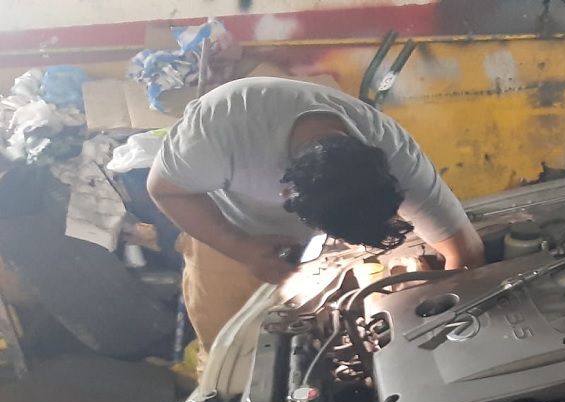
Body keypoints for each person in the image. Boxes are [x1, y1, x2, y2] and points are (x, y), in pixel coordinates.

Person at [147, 77, 484, 362]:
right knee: (230, 354)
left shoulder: (397, 156)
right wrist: (239, 247)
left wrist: (446, 328)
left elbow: (465, 251)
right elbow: (164, 190)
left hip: (313, 237)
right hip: (225, 229)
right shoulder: (219, 127)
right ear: (286, 193)